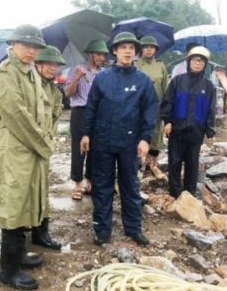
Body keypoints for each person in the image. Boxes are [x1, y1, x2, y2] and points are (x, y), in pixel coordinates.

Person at [0, 24, 50, 290]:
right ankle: (7, 271)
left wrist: (45, 139)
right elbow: (18, 117)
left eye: (35, 46)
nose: (32, 51)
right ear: (13, 44)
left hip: (31, 148)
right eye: (27, 45)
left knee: (26, 201)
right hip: (16, 148)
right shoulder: (4, 75)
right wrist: (45, 144)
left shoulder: (29, 70)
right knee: (13, 204)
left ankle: (19, 255)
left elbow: (42, 106)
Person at [80, 32, 158, 247]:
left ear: (136, 53)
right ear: (114, 51)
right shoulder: (102, 78)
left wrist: (145, 138)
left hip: (130, 143)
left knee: (130, 186)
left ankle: (133, 229)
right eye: (123, 47)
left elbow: (150, 110)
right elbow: (92, 107)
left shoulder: (142, 80)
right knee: (102, 187)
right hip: (102, 141)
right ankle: (102, 230)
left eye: (131, 48)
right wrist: (86, 133)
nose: (127, 51)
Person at [160, 46, 216, 199]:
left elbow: (211, 109)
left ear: (205, 64)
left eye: (201, 61)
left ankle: (189, 194)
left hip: (196, 131)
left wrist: (210, 131)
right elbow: (168, 102)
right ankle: (175, 193)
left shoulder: (208, 86)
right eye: (195, 60)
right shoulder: (178, 81)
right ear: (189, 61)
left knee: (192, 164)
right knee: (174, 162)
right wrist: (168, 121)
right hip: (177, 129)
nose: (198, 63)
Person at [31, 45, 66, 250]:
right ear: (38, 64)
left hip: (44, 147)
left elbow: (55, 119)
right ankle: (23, 229)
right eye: (48, 64)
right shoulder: (30, 86)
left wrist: (50, 141)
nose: (53, 68)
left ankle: (41, 232)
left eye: (56, 65)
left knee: (42, 189)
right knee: (26, 190)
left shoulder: (55, 91)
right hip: (28, 144)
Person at [64, 39, 108, 201]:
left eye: (103, 54)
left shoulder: (103, 73)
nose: (101, 57)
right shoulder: (77, 69)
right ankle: (77, 183)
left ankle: (90, 180)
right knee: (79, 149)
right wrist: (77, 77)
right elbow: (68, 93)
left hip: (98, 113)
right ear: (89, 54)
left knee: (95, 149)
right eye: (98, 54)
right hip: (80, 112)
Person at [134, 36, 169, 180]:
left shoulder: (160, 66)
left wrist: (166, 111)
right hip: (138, 108)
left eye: (152, 47)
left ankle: (153, 165)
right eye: (146, 46)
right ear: (141, 49)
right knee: (137, 136)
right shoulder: (135, 64)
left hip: (156, 107)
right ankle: (137, 166)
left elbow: (165, 88)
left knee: (155, 137)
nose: (149, 49)